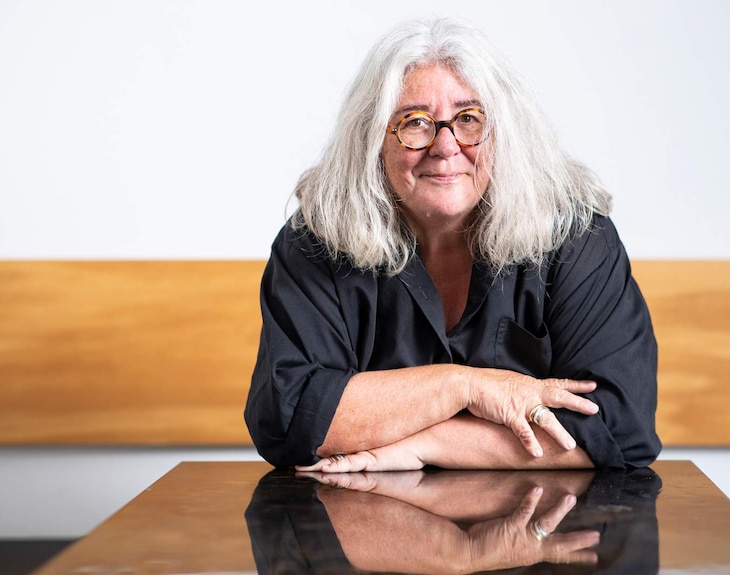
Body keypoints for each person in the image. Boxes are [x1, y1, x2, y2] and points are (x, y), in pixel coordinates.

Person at [244, 17, 660, 471]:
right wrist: (464, 386)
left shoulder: (576, 236)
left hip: (546, 537)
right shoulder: (315, 243)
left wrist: (425, 444)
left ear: (504, 133)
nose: (445, 146)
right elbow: (290, 417)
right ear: (372, 140)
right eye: (415, 122)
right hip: (362, 531)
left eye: (468, 119)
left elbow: (621, 428)